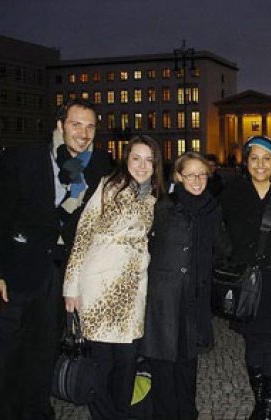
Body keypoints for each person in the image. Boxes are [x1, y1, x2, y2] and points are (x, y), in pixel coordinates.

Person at [0, 98, 112, 420]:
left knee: (43, 352)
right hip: (14, 271)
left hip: (58, 273)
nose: (83, 133)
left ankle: (38, 412)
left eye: (90, 127)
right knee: (6, 355)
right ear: (60, 125)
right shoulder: (23, 159)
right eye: (76, 124)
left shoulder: (97, 164)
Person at [63, 135, 165, 420]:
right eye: (136, 158)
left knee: (127, 361)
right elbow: (82, 234)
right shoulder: (108, 186)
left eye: (149, 160)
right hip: (99, 285)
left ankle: (121, 412)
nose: (142, 166)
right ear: (126, 159)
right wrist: (71, 286)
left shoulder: (155, 197)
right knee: (101, 363)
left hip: (132, 289)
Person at [219, 136, 271, 420]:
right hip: (247, 282)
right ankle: (261, 401)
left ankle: (266, 411)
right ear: (246, 162)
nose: (260, 164)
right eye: (254, 158)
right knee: (253, 342)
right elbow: (223, 234)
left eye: (266, 159)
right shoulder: (233, 191)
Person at [141, 152, 229, 420]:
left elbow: (223, 249)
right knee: (163, 363)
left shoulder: (212, 208)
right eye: (190, 174)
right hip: (164, 298)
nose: (197, 180)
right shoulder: (162, 206)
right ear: (178, 176)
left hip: (194, 296)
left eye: (202, 174)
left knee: (188, 363)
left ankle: (187, 414)